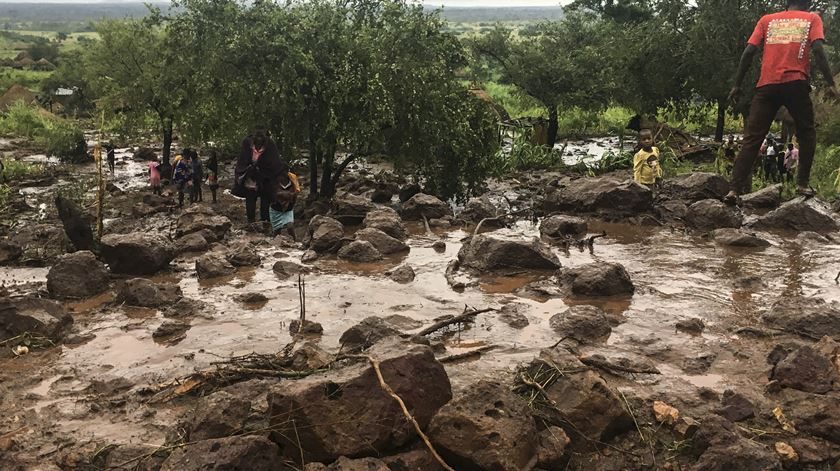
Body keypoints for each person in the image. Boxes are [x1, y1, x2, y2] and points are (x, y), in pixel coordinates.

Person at [725, 0, 838, 204]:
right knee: (806, 132)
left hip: (767, 85)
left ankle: (734, 190)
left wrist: (737, 84)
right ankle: (802, 184)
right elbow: (819, 50)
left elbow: (749, 52)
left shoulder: (767, 20)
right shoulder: (812, 18)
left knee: (752, 139)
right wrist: (830, 83)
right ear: (808, 3)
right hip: (796, 83)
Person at [234, 129, 287, 224]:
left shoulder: (270, 145)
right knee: (250, 198)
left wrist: (263, 170)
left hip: (265, 178)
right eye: (256, 137)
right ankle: (251, 222)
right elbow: (242, 160)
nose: (258, 140)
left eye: (261, 137)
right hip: (250, 177)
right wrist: (248, 169)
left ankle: (265, 222)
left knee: (265, 201)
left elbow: (275, 163)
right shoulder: (247, 143)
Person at [270, 172, 298, 239]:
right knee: (277, 230)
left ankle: (294, 240)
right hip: (275, 209)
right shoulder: (273, 182)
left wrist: (283, 195)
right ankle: (276, 243)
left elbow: (295, 194)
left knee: (290, 226)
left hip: (288, 209)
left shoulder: (293, 183)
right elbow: (272, 194)